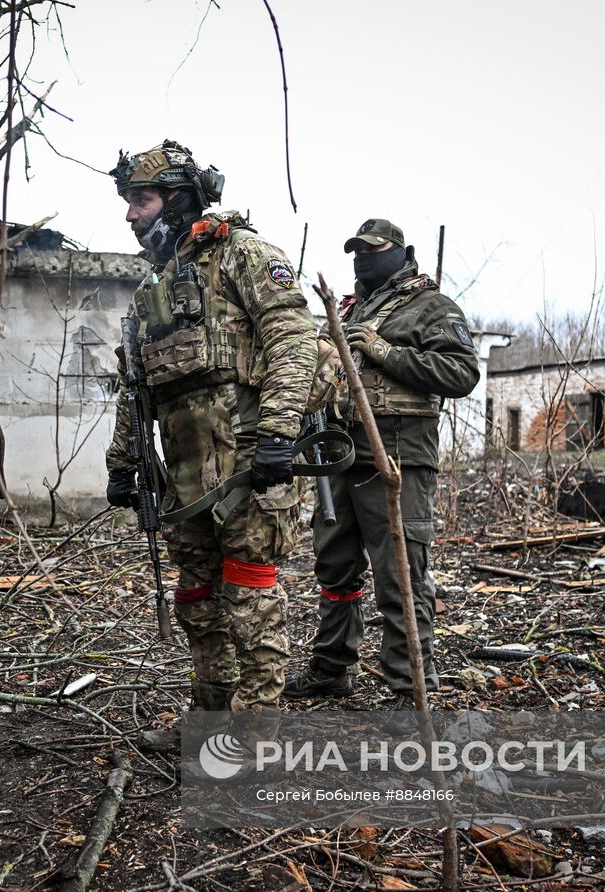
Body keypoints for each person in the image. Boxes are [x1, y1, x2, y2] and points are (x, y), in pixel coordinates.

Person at [104, 141, 317, 763]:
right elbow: (135, 384)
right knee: (198, 600)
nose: (130, 215)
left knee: (249, 600)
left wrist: (278, 432)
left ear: (177, 198)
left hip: (250, 464)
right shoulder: (151, 289)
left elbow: (293, 341)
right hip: (185, 475)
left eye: (140, 200)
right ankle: (209, 722)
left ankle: (254, 742)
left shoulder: (243, 255)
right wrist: (124, 464)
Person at [283, 219, 479, 709]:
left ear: (401, 253)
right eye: (357, 252)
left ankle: (412, 688)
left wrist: (383, 350)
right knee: (335, 568)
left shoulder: (431, 307)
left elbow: (461, 373)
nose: (363, 260)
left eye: (374, 251)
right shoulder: (350, 309)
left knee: (400, 575)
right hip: (339, 456)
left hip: (398, 459)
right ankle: (331, 669)